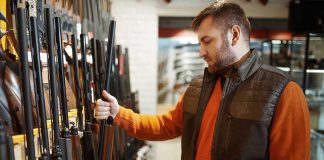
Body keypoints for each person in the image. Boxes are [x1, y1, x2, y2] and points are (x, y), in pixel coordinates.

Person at [95, 1, 310, 159]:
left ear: (234, 35)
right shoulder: (199, 87)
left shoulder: (283, 90)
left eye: (207, 41)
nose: (201, 52)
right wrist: (118, 113)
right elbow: (164, 126)